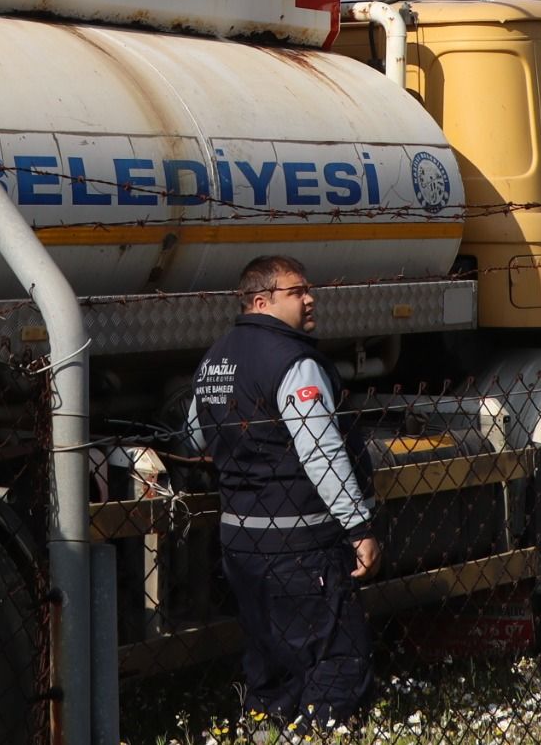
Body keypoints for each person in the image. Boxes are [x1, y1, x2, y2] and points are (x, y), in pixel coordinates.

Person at [186, 255, 380, 731]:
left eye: (308, 289)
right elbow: (321, 451)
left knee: (269, 658)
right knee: (337, 657)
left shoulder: (215, 359)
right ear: (261, 300)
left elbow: (193, 435)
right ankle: (322, 735)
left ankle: (267, 731)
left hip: (240, 544)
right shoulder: (294, 362)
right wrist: (358, 526)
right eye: (297, 292)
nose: (310, 299)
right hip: (301, 543)